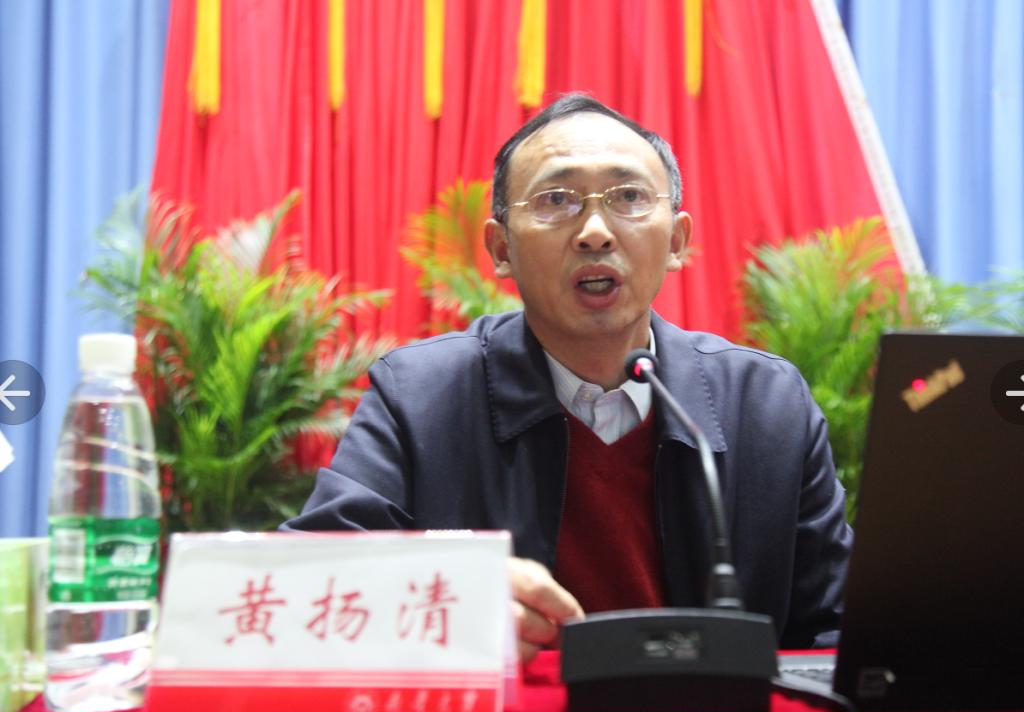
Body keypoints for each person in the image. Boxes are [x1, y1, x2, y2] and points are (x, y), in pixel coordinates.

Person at [284, 93, 853, 662]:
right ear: (501, 249)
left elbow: (835, 631)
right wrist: (453, 601)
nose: (595, 232)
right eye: (556, 200)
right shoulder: (420, 397)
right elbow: (306, 589)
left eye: (629, 197)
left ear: (677, 242)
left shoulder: (766, 404)